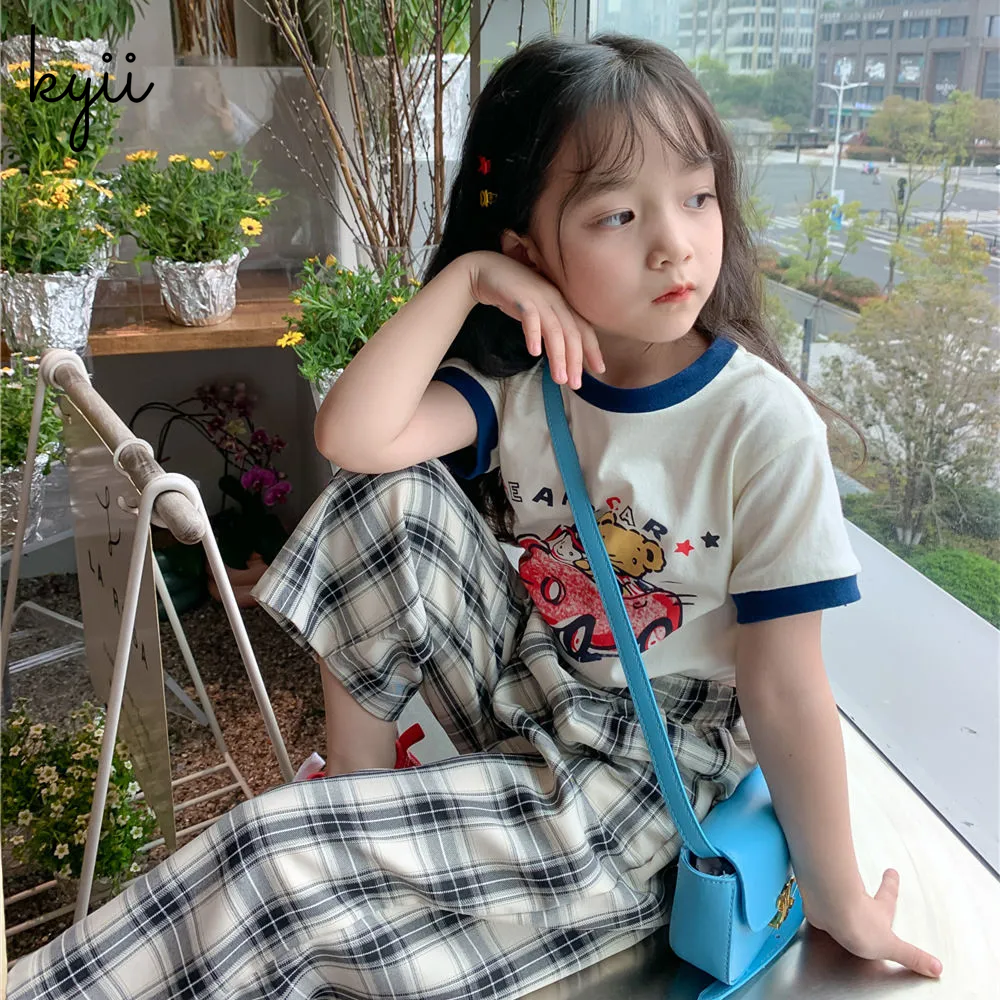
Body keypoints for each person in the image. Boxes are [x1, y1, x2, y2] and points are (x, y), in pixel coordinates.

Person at [7, 34, 943, 1000]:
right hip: (535, 686)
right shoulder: (530, 388)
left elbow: (785, 686)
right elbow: (354, 437)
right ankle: (360, 804)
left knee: (270, 862)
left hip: (644, 776)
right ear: (529, 250)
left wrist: (837, 896)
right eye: (618, 214)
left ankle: (324, 856)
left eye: (698, 196)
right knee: (387, 493)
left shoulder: (761, 425)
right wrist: (468, 282)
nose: (674, 243)